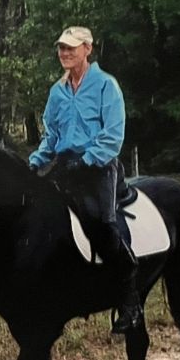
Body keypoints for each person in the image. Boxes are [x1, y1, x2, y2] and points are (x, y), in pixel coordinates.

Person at [28, 26, 142, 333]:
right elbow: (51, 135)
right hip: (64, 165)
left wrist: (87, 160)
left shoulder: (106, 86)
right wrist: (36, 162)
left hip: (99, 167)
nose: (65, 53)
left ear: (87, 49)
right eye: (62, 48)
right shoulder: (57, 91)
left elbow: (113, 135)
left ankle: (129, 298)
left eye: (71, 48)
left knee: (102, 224)